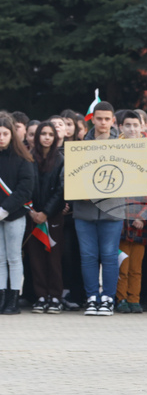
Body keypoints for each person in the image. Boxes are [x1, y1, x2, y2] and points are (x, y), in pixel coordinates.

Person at [74, 102, 122, 317]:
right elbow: (71, 175)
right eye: (99, 118)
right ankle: (92, 297)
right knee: (88, 256)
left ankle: (109, 299)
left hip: (113, 210)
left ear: (113, 120)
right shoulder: (79, 145)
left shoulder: (124, 145)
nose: (103, 123)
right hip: (84, 210)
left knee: (110, 256)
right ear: (92, 119)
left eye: (107, 119)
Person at [114, 111, 147, 315]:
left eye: (135, 125)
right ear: (121, 127)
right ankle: (121, 298)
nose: (132, 129)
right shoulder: (113, 149)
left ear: (143, 127)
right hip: (119, 215)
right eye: (128, 125)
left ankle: (134, 298)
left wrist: (144, 214)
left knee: (137, 265)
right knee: (121, 262)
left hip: (141, 215)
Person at [26, 121, 65, 313]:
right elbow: (25, 186)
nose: (47, 137)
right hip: (32, 216)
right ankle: (41, 296)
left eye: (51, 134)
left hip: (53, 216)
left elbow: (61, 190)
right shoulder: (28, 158)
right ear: (37, 136)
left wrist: (46, 213)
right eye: (43, 134)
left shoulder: (61, 159)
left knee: (53, 258)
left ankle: (55, 297)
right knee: (36, 258)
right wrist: (32, 212)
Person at [0, 114, 37, 314]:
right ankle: (2, 296)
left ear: (12, 135)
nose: (1, 137)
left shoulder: (23, 159)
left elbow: (25, 189)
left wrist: (4, 209)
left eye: (5, 134)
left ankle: (13, 298)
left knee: (14, 258)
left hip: (14, 214)